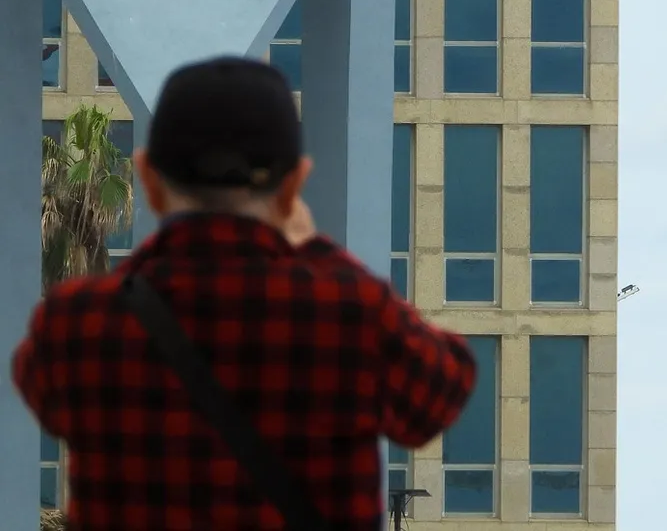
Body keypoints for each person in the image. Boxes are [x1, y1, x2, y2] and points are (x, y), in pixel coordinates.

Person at [11, 56, 476, 531]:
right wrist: (318, 250)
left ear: (148, 177)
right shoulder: (351, 313)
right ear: (294, 182)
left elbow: (41, 395)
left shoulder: (77, 324)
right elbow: (444, 390)